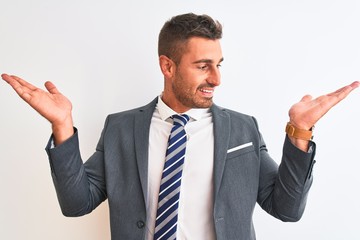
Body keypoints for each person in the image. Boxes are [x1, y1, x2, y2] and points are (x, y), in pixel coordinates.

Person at [1, 13, 359, 240]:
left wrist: (300, 132)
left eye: (219, 64)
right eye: (203, 65)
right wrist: (62, 125)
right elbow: (77, 204)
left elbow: (286, 209)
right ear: (167, 66)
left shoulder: (242, 130)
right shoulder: (121, 129)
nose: (216, 78)